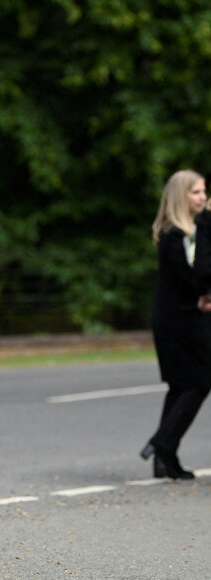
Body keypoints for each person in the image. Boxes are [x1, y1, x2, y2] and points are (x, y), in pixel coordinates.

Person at [140, 169, 211, 479]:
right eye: (196, 192)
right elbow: (196, 278)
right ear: (181, 196)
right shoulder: (178, 235)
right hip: (179, 322)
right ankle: (161, 444)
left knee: (181, 385)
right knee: (199, 382)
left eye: (204, 191)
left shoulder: (184, 232)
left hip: (181, 317)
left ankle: (164, 461)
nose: (203, 197)